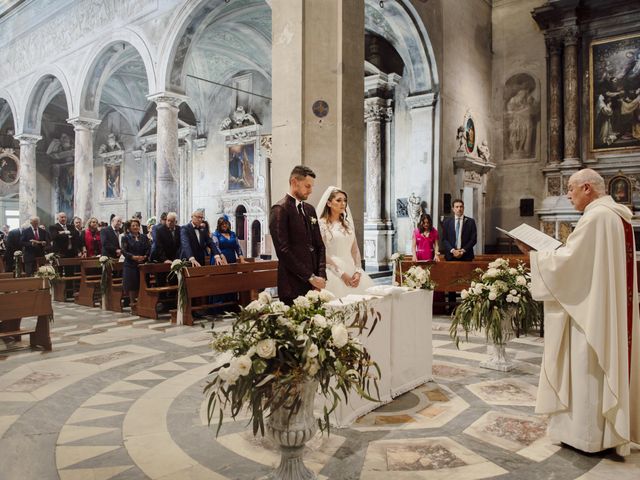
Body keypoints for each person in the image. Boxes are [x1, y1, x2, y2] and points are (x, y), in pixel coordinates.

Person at [517, 168, 639, 456]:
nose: (568, 194)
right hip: (602, 307)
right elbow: (583, 261)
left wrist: (532, 255)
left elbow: (569, 264)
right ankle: (606, 432)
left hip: (590, 313)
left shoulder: (596, 217)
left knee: (587, 368)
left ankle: (587, 436)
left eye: (571, 188)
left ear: (587, 188)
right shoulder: (617, 216)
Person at [269, 165, 326, 305]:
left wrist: (321, 276)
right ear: (294, 182)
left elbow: (320, 245)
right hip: (292, 284)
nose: (311, 191)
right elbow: (283, 251)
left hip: (315, 285)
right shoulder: (280, 210)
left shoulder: (310, 209)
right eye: (307, 186)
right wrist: (309, 277)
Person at [315, 187, 373, 298]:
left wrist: (357, 271)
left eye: (345, 200)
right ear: (329, 203)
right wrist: (341, 274)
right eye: (338, 200)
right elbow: (322, 252)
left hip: (351, 268)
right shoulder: (321, 225)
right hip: (332, 271)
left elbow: (354, 250)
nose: (343, 203)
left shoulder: (347, 224)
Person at [121, 218, 150, 307]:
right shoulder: (125, 237)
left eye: (137, 225)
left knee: (143, 283)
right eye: (133, 226)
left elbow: (149, 248)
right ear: (129, 228)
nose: (135, 227)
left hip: (142, 263)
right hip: (130, 264)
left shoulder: (144, 237)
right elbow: (124, 251)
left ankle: (142, 302)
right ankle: (133, 303)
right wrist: (133, 257)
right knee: (132, 285)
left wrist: (145, 256)